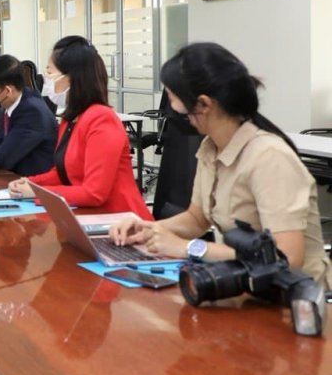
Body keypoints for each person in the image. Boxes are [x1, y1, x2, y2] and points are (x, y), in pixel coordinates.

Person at [111, 43, 331, 285]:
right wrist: (148, 230)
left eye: (173, 99)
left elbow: (287, 258)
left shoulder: (269, 158)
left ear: (204, 104)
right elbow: (196, 219)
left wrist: (189, 248)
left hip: (294, 296)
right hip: (241, 285)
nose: (170, 109)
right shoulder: (210, 147)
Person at [7, 36, 150, 218]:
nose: (45, 79)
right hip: (88, 216)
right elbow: (63, 172)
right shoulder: (71, 118)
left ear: (71, 78)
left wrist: (37, 192)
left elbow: (94, 193)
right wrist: (30, 183)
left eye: (50, 72)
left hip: (121, 221)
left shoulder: (102, 119)